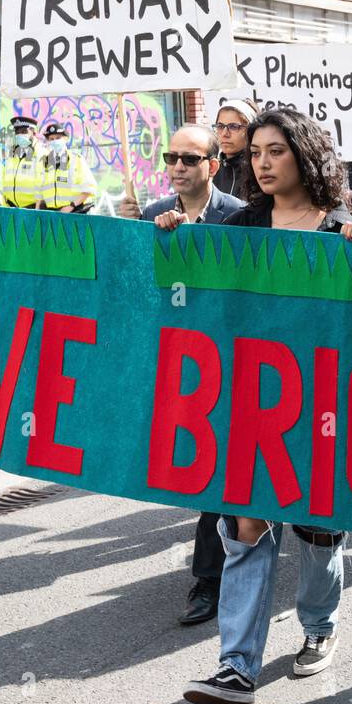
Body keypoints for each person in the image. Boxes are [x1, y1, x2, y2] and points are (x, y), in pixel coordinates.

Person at [183, 110, 352, 704]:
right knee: (245, 525)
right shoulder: (239, 225)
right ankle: (237, 667)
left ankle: (319, 626)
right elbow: (199, 289)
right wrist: (170, 233)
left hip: (319, 405)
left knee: (317, 530)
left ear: (304, 156)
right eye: (256, 152)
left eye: (276, 151)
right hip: (250, 403)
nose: (261, 162)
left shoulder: (340, 228)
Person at [117, 125, 244, 623]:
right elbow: (140, 289)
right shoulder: (152, 215)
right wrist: (137, 237)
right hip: (183, 364)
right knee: (208, 470)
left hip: (231, 360)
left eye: (190, 159)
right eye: (171, 157)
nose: (178, 166)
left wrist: (194, 243)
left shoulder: (238, 216)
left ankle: (208, 581)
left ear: (213, 165)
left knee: (222, 475)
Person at [35, 122, 97, 212]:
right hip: (52, 212)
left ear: (66, 139)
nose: (54, 141)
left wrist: (72, 206)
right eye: (51, 139)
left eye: (58, 138)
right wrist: (37, 209)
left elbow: (89, 188)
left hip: (74, 211)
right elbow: (40, 189)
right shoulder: (45, 161)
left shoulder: (76, 159)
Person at [210, 99, 258, 201]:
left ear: (250, 130)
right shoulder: (211, 171)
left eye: (233, 127)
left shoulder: (258, 170)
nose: (225, 133)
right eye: (220, 126)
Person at [0, 115, 46, 208]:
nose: (20, 136)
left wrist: (38, 210)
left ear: (34, 132)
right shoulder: (11, 155)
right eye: (17, 132)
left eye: (24, 132)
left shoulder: (43, 154)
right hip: (11, 208)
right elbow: (5, 181)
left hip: (33, 210)